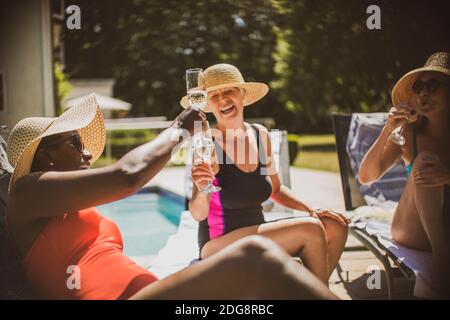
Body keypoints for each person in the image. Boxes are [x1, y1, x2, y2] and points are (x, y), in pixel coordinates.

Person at [5, 93, 336, 300]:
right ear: (45, 157)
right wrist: (179, 128)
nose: (89, 151)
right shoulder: (25, 194)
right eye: (76, 143)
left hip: (151, 291)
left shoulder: (68, 205)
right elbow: (128, 176)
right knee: (255, 255)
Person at [183, 64, 349, 284]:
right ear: (207, 104)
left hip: (259, 233)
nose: (222, 100)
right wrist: (202, 187)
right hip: (218, 243)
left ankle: (309, 292)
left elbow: (276, 190)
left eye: (229, 91)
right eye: (214, 95)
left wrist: (311, 210)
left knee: (336, 225)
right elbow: (198, 213)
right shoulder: (208, 143)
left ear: (242, 94)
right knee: (309, 229)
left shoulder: (260, 135)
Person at [358, 52, 450, 298]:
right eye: (418, 87)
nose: (422, 93)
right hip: (414, 229)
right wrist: (389, 128)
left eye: (432, 85)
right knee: (425, 161)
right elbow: (366, 176)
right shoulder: (409, 134)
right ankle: (442, 256)